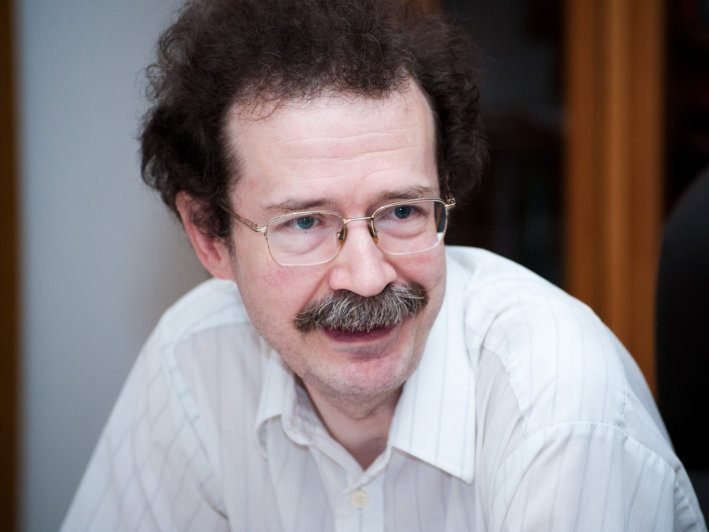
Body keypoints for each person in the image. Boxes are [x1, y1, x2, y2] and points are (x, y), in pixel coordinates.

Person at [62, 0, 706, 530]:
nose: (368, 278)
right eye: (305, 223)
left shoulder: (558, 406)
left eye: (401, 211)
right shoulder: (195, 360)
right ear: (211, 238)